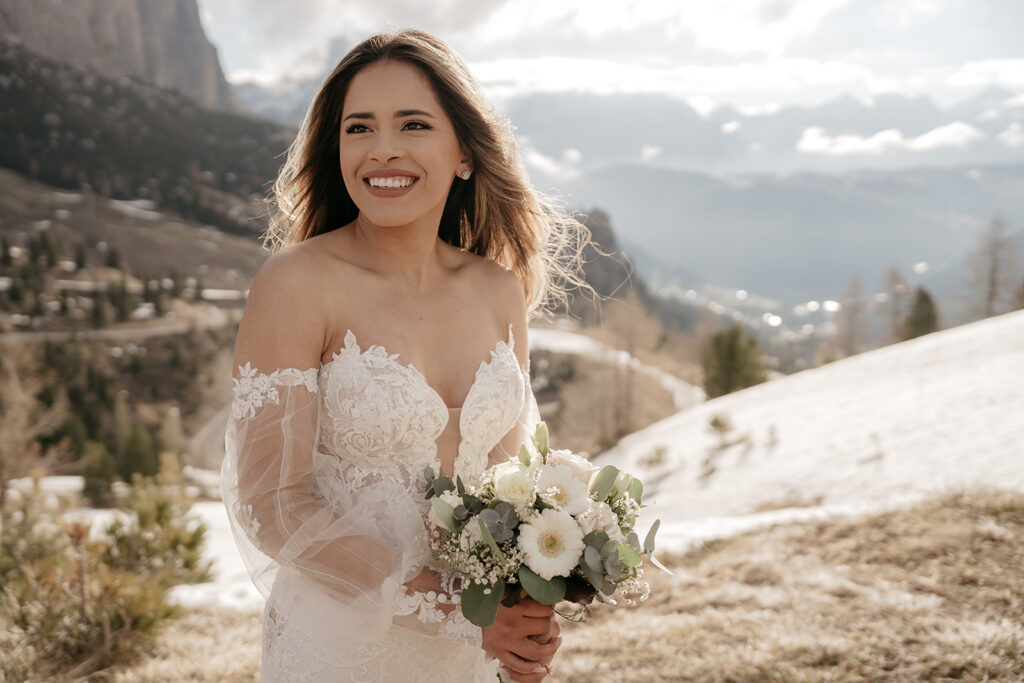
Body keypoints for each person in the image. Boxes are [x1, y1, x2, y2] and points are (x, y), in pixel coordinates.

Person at [220, 30, 587, 682]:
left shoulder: (499, 291)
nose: (382, 148)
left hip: (472, 655)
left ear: (465, 153)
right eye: (359, 128)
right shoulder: (297, 284)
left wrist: (523, 607)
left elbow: (505, 490)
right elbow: (274, 505)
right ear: (337, 152)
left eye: (413, 124)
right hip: (340, 646)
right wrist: (459, 609)